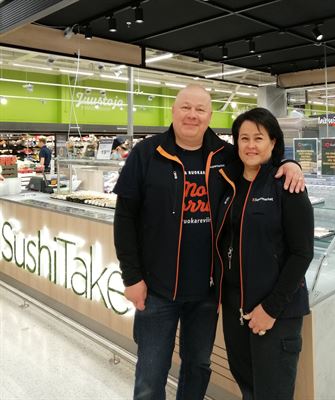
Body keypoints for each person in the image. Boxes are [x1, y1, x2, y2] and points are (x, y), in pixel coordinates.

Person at [113, 85, 305, 400]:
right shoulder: (146, 153)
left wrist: (291, 164)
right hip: (157, 289)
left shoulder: (225, 156)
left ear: (210, 115)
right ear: (173, 111)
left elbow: (260, 161)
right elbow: (124, 218)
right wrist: (131, 276)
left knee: (198, 366)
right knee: (150, 372)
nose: (192, 115)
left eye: (200, 109)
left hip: (208, 291)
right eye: (185, 107)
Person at [214, 107, 314, 400]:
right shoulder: (228, 183)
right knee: (248, 387)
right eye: (244, 138)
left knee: (273, 393)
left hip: (276, 312)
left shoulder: (287, 185)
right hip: (235, 309)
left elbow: (302, 253)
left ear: (273, 142)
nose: (251, 145)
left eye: (258, 138)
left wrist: (270, 309)